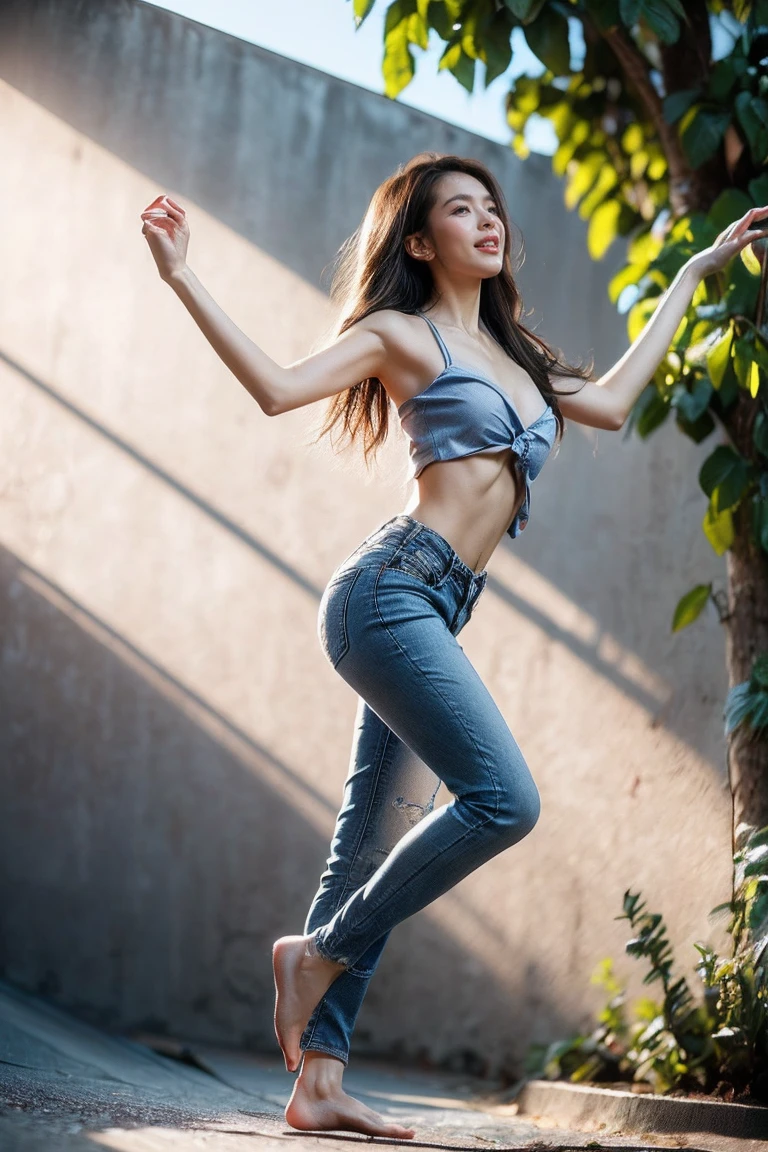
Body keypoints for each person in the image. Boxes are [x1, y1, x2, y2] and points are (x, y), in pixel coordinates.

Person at [141, 153, 767, 1138]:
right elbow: (275, 386)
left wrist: (691, 279)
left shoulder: (521, 362)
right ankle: (317, 954)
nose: (487, 221)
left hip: (438, 610)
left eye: (492, 207)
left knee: (368, 834)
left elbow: (609, 400)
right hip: (386, 596)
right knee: (504, 800)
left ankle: (319, 1081)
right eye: (460, 210)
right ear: (422, 241)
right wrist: (181, 274)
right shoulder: (403, 334)